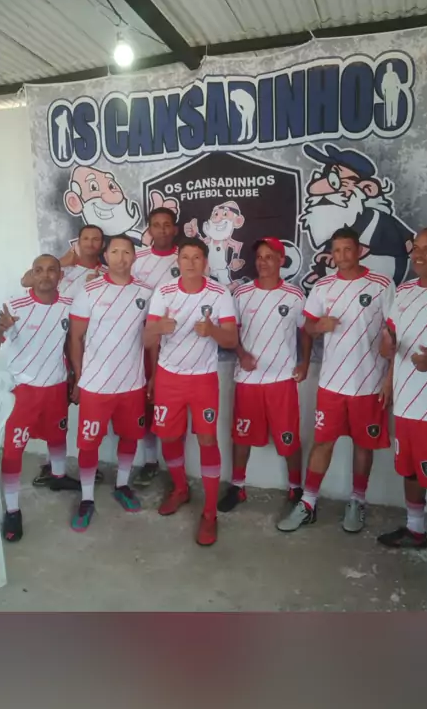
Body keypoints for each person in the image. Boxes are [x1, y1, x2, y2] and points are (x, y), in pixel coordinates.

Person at [277, 227, 394, 533]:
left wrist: (390, 379)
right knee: (323, 443)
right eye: (337, 251)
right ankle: (308, 503)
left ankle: (357, 500)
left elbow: (394, 334)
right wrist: (319, 327)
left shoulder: (381, 284)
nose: (342, 256)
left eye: (347, 249)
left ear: (359, 251)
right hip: (331, 383)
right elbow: (308, 328)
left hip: (369, 383)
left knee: (363, 445)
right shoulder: (323, 287)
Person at [377, 227, 427, 606]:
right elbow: (391, 343)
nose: (419, 255)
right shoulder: (405, 292)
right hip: (407, 406)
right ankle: (415, 530)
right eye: (417, 248)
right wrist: (388, 366)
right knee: (410, 471)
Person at [144, 236, 238, 546]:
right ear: (178, 261)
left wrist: (212, 330)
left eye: (197, 257)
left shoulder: (220, 293)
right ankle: (180, 489)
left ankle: (209, 513)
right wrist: (158, 328)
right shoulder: (164, 292)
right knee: (170, 437)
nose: (191, 263)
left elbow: (231, 340)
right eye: (185, 257)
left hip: (203, 379)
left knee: (207, 439)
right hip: (169, 378)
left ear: (205, 262)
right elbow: (146, 339)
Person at [217, 237, 312, 522]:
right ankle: (238, 487)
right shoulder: (242, 294)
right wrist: (241, 354)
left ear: (282, 260)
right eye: (259, 257)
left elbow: (306, 331)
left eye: (269, 257)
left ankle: (296, 488)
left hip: (282, 379)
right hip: (248, 379)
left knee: (289, 438)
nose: (263, 262)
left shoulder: (295, 295)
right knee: (241, 436)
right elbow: (231, 332)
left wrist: (304, 362)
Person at [0, 255, 74, 542]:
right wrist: (0, 329)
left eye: (51, 270)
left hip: (56, 387)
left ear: (60, 276)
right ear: (31, 275)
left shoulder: (69, 306)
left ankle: (58, 477)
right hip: (22, 392)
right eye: (39, 270)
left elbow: (72, 345)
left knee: (58, 436)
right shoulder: (13, 307)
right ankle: (12, 510)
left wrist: (75, 378)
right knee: (13, 451)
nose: (45, 276)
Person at [68, 234, 153, 532]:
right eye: (114, 251)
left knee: (130, 437)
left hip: (132, 383)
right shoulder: (89, 291)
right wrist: (79, 378)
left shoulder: (146, 292)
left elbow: (151, 338)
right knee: (88, 443)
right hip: (96, 385)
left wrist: (153, 377)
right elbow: (76, 338)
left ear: (134, 257)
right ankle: (87, 498)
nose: (120, 257)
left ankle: (122, 485)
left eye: (126, 252)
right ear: (106, 256)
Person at [21, 223, 107, 488]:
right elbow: (26, 281)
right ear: (77, 242)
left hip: (87, 349)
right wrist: (62, 261)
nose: (90, 243)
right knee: (56, 409)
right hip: (55, 349)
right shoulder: (62, 270)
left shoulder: (105, 274)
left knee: (84, 406)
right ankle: (53, 466)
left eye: (96, 239)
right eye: (85, 238)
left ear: (102, 244)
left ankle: (85, 464)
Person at [132, 206, 179, 485]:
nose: (162, 230)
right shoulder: (136, 259)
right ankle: (151, 460)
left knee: (172, 405)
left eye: (167, 224)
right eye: (156, 225)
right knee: (146, 401)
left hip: (177, 341)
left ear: (175, 228)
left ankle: (178, 469)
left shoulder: (186, 258)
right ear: (149, 230)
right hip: (141, 340)